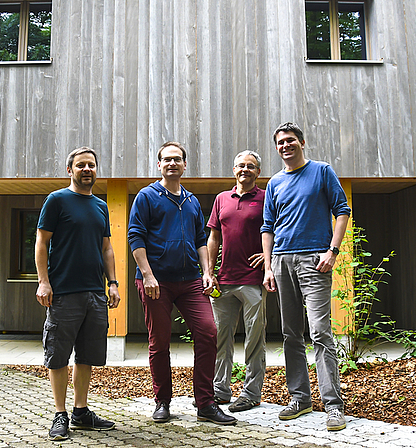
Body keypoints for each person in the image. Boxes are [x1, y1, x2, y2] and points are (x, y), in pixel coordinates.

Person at [128, 141, 237, 426]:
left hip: (190, 282)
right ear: (159, 165)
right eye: (167, 159)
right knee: (159, 342)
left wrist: (207, 272)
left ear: (185, 165)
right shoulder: (147, 196)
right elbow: (135, 237)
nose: (172, 163)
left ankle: (205, 403)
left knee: (208, 332)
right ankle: (162, 401)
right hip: (157, 283)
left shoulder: (190, 201)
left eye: (177, 159)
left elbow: (201, 240)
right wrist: (148, 275)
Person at [261, 122, 351, 431]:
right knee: (290, 333)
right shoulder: (274, 183)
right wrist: (268, 266)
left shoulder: (322, 171)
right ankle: (300, 399)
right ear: (277, 148)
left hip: (315, 260)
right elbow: (268, 226)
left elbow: (342, 210)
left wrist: (333, 251)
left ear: (302, 142)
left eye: (290, 140)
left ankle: (333, 405)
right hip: (283, 260)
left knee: (321, 332)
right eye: (280, 142)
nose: (285, 146)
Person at [35, 147, 121, 441]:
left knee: (87, 355)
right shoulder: (57, 200)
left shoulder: (100, 205)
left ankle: (81, 412)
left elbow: (106, 247)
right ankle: (60, 414)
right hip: (63, 292)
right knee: (58, 355)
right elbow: (41, 242)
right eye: (81, 165)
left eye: (92, 165)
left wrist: (112, 283)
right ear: (69, 170)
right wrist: (43, 282)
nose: (87, 169)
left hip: (95, 293)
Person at [207, 150, 267, 413]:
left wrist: (269, 254)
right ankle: (220, 390)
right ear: (234, 170)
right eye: (240, 165)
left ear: (258, 172)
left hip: (253, 279)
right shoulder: (222, 199)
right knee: (220, 336)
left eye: (251, 166)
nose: (245, 169)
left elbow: (277, 230)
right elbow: (213, 238)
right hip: (224, 280)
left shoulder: (267, 198)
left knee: (254, 337)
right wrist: (209, 271)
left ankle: (252, 393)